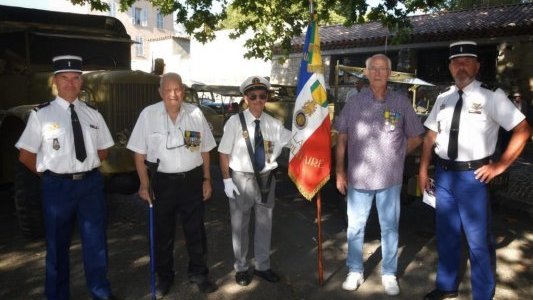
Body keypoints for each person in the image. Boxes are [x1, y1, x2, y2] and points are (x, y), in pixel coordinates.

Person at [418, 41, 532, 300]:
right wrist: (424, 169)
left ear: (477, 66)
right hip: (444, 176)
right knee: (446, 234)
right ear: (450, 67)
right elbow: (430, 136)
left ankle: (482, 294)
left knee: (478, 241)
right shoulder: (443, 98)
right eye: (456, 62)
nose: (461, 67)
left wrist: (500, 165)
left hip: (473, 178)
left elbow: (523, 130)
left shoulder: (492, 96)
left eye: (467, 61)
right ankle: (446, 286)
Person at [15, 55, 118, 300]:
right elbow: (25, 155)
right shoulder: (41, 115)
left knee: (96, 244)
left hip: (91, 185)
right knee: (57, 246)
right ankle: (57, 296)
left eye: (75, 78)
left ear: (81, 81)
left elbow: (103, 150)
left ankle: (100, 293)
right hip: (57, 188)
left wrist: (85, 167)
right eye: (65, 78)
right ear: (55, 81)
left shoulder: (93, 114)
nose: (70, 83)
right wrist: (49, 174)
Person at [335, 54, 424, 296]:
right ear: (366, 73)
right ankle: (355, 270)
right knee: (355, 227)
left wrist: (398, 153)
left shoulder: (401, 102)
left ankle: (389, 273)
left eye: (383, 69)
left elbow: (417, 135)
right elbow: (342, 137)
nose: (377, 72)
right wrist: (340, 171)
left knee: (390, 228)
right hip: (358, 178)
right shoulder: (353, 103)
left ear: (390, 73)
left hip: (390, 179)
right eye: (373, 68)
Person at [127, 72, 217, 297]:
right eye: (168, 90)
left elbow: (205, 150)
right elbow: (139, 155)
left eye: (177, 89)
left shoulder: (195, 114)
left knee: (195, 231)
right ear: (160, 92)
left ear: (183, 91)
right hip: (163, 183)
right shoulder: (148, 115)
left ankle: (199, 274)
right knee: (162, 233)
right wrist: (144, 184)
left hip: (192, 181)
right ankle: (164, 277)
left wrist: (207, 179)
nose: (173, 94)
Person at [218, 76, 291, 286]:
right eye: (253, 96)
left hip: (267, 179)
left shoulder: (274, 124)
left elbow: (295, 140)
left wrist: (315, 130)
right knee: (240, 226)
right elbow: (223, 153)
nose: (258, 100)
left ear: (266, 97)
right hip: (241, 179)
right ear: (245, 98)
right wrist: (226, 180)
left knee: (264, 224)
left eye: (262, 95)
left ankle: (262, 266)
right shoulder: (234, 122)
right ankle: (241, 267)